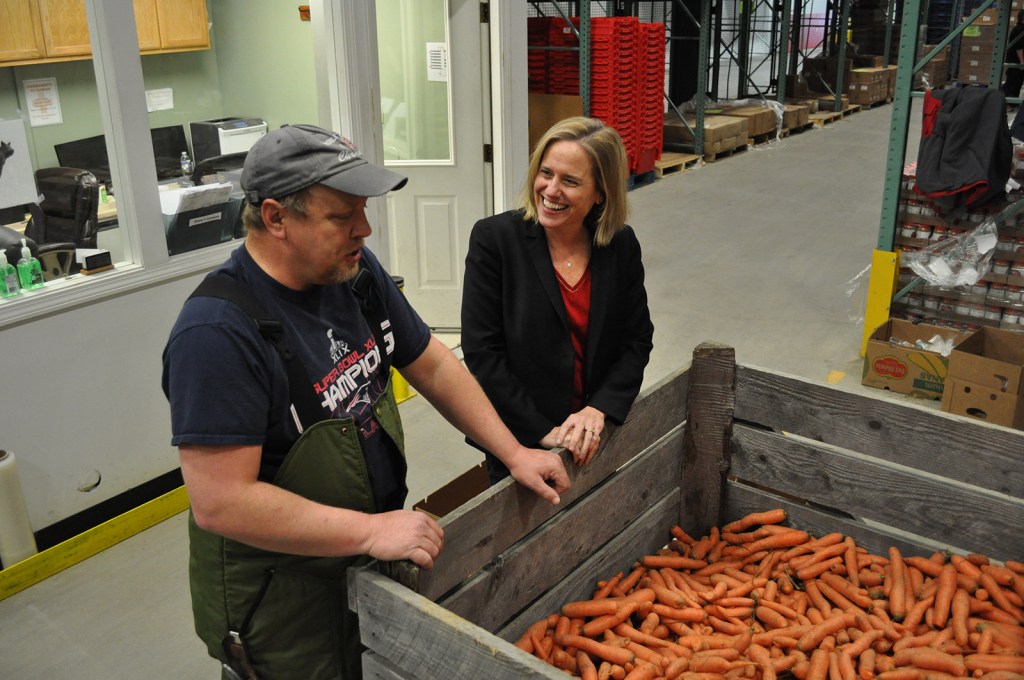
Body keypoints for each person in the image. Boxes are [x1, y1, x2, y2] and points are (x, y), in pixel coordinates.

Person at [161, 123, 570, 680]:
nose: (365, 229)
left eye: (363, 210)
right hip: (285, 607)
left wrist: (515, 452)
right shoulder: (217, 334)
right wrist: (371, 530)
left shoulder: (352, 275)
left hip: (365, 566)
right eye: (341, 216)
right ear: (276, 217)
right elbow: (221, 502)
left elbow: (431, 362)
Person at [460, 116, 654, 485]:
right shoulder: (495, 240)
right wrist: (542, 431)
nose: (550, 190)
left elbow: (636, 339)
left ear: (601, 192)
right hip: (519, 440)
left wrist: (599, 408)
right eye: (545, 173)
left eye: (570, 181)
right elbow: (483, 352)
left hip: (592, 436)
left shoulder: (619, 245)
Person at [1004, 10, 1024, 106]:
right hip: (1016, 62)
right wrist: (1022, 62)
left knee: (1017, 82)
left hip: (1018, 62)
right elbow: (1018, 47)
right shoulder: (1019, 30)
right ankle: (1008, 105)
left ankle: (1011, 104)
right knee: (1013, 82)